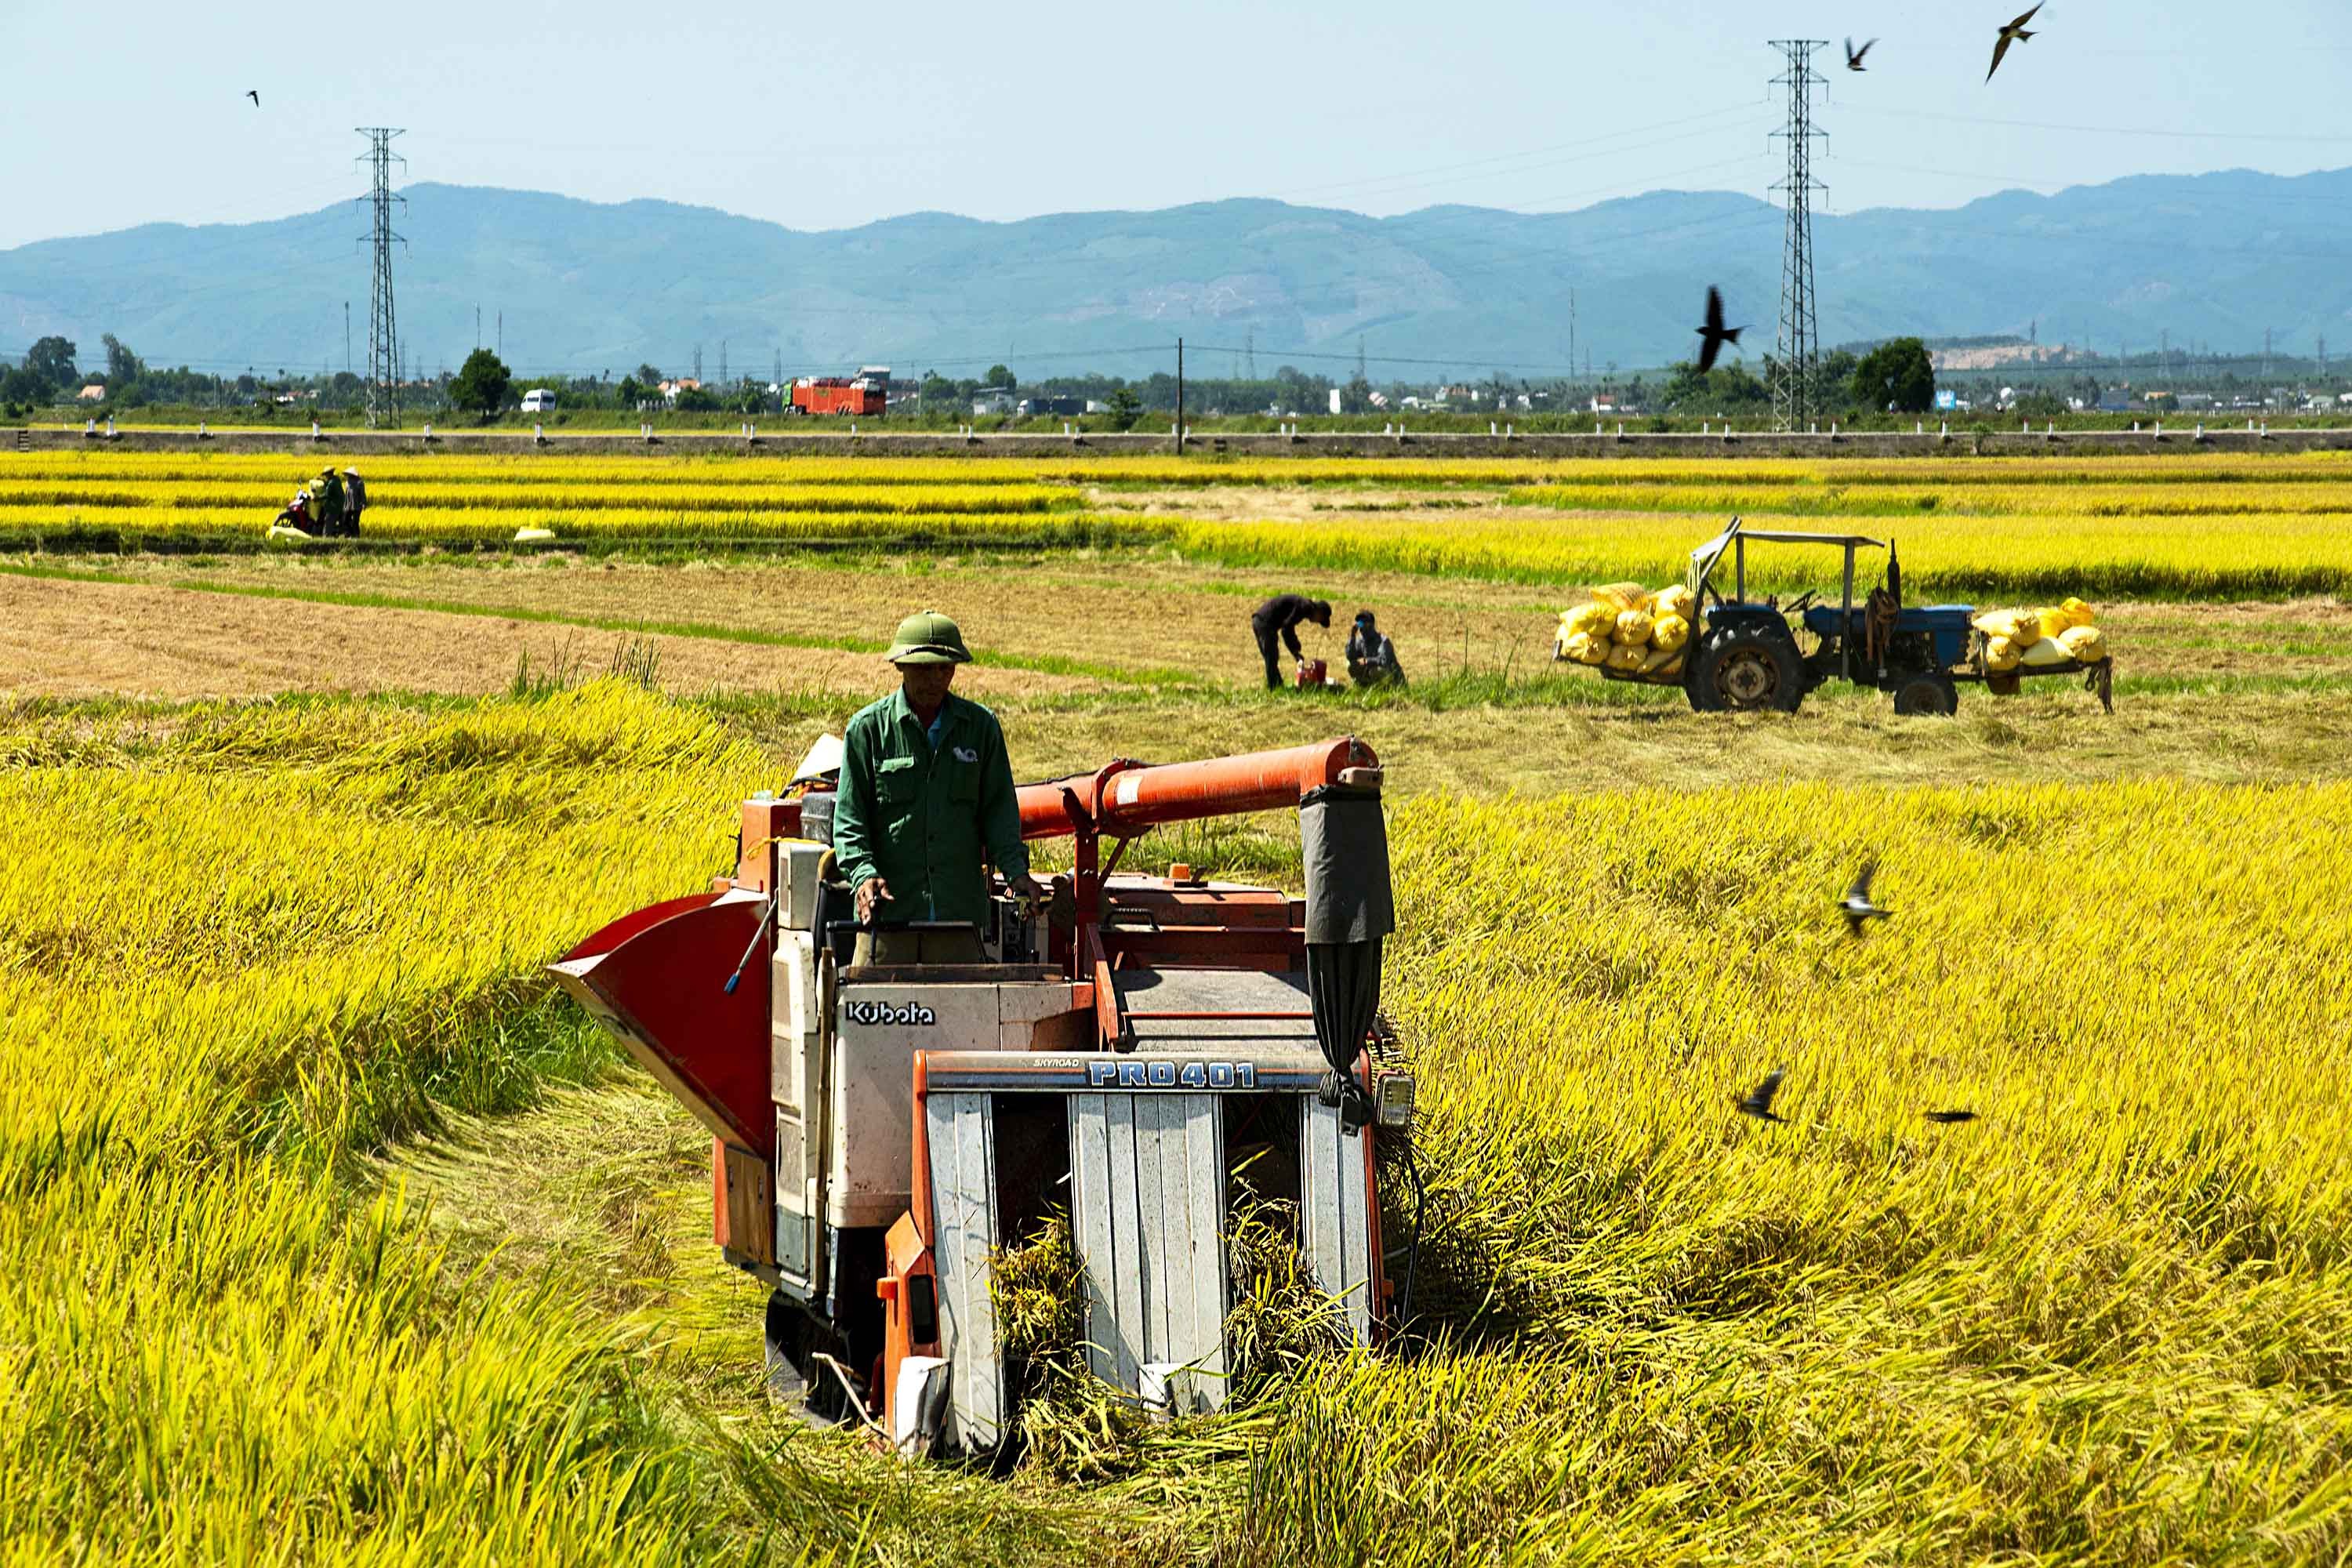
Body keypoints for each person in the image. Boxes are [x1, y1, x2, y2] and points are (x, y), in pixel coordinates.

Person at [831, 611, 1047, 966]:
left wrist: (1016, 873)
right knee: (875, 1015)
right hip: (887, 923)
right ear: (901, 666)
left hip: (957, 921)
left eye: (944, 668)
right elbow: (850, 823)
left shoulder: (980, 729)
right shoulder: (867, 731)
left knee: (964, 1015)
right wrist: (863, 875)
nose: (935, 678)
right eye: (924, 668)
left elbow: (1000, 813)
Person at [1250, 593, 1331, 690]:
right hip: (1265, 623)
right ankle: (1274, 688)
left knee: (1271, 659)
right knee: (1271, 657)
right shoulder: (1305, 607)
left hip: (1259, 621)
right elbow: (1286, 629)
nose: (1317, 622)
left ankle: (1278, 686)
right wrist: (1295, 650)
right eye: (1320, 620)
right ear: (1319, 612)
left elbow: (1288, 627)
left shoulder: (1305, 606)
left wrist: (1295, 651)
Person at [1346, 610, 1408, 688]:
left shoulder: (1383, 641)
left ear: (1371, 625)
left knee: (1375, 671)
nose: (1361, 627)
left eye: (1364, 623)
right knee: (1351, 665)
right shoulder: (1360, 641)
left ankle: (1387, 690)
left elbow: (1384, 661)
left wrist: (1367, 661)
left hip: (1393, 680)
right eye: (1359, 623)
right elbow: (1350, 657)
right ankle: (1365, 688)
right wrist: (1352, 636)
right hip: (1374, 676)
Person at [311, 467, 345, 536]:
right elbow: (328, 484)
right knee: (341, 524)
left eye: (326, 475)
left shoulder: (331, 484)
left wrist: (317, 498)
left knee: (328, 523)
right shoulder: (336, 479)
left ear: (329, 474)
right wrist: (323, 480)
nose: (325, 477)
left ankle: (326, 538)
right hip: (341, 505)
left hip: (333, 507)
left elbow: (327, 494)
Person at [340, 467, 366, 535]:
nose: (347, 476)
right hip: (348, 505)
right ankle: (348, 534)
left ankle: (356, 536)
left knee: (355, 522)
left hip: (357, 505)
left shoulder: (360, 482)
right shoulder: (347, 483)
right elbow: (346, 494)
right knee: (345, 520)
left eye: (348, 474)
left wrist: (364, 503)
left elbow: (362, 494)